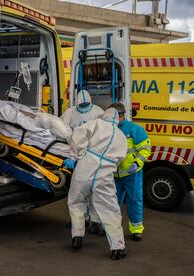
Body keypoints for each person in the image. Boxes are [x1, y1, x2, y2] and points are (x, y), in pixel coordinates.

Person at [63, 107, 128, 260]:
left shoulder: (96, 124)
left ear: (104, 115)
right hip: (105, 175)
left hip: (85, 168)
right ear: (118, 119)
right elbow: (121, 159)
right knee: (110, 210)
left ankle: (77, 237)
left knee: (75, 202)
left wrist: (73, 156)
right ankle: (118, 248)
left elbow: (78, 135)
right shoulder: (121, 136)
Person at [61, 89, 105, 236]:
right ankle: (80, 219)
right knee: (78, 192)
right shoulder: (70, 112)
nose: (84, 107)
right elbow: (63, 128)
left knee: (94, 192)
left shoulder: (98, 112)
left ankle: (95, 221)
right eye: (82, 105)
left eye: (86, 104)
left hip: (92, 156)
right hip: (76, 155)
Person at [111, 103, 151, 241]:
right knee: (112, 203)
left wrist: (136, 163)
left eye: (116, 116)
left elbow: (145, 149)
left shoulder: (135, 129)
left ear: (122, 115)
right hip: (114, 174)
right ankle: (111, 228)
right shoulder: (110, 130)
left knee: (134, 200)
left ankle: (136, 229)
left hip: (131, 173)